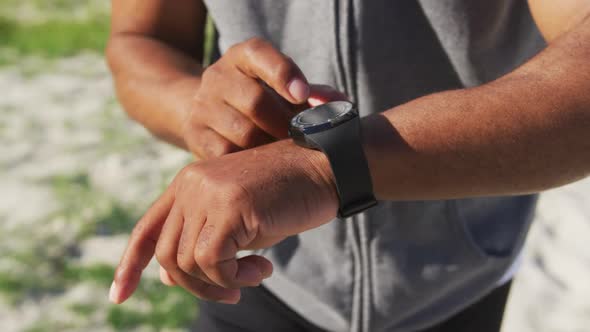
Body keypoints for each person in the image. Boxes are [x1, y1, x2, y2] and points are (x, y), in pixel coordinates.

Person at [105, 1, 590, 331]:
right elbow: (140, 40)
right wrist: (202, 112)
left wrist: (328, 169)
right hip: (262, 267)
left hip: (458, 273)